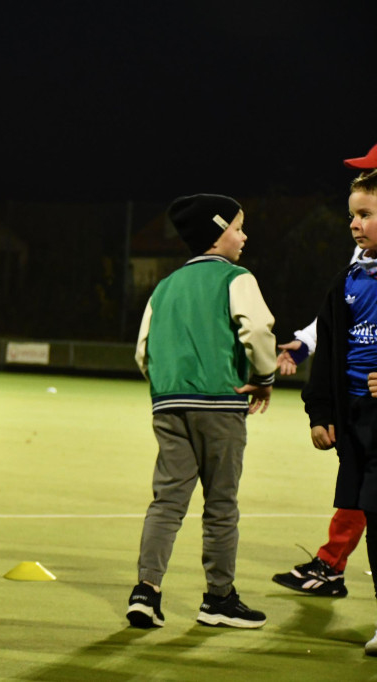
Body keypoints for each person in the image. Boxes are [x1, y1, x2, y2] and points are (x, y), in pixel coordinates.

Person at [126, 194, 276, 630]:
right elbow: (257, 328)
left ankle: (146, 590)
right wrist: (263, 377)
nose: (244, 236)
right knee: (221, 505)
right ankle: (218, 598)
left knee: (167, 502)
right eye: (237, 226)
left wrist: (168, 387)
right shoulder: (237, 278)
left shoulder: (164, 286)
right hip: (219, 404)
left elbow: (143, 351)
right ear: (216, 233)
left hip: (169, 405)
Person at [272, 145, 377, 598]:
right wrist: (307, 341)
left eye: (365, 212)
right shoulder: (356, 266)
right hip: (357, 407)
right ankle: (331, 565)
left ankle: (331, 564)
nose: (354, 223)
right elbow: (339, 320)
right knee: (359, 495)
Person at [302, 168, 377, 655]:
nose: (354, 224)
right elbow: (328, 348)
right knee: (371, 514)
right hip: (356, 423)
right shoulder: (348, 280)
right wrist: (321, 412)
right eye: (352, 215)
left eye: (366, 214)